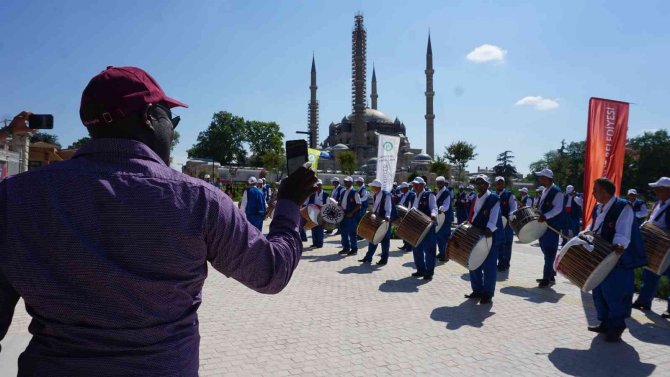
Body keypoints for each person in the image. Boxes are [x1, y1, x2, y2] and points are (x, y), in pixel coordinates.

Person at [0, 66, 317, 376]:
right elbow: (271, 272)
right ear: (150, 117)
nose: (173, 129)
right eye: (171, 118)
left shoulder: (14, 197)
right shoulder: (198, 201)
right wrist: (289, 204)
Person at [584, 178, 646, 342]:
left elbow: (623, 232)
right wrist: (584, 236)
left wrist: (618, 246)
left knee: (614, 294)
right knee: (599, 292)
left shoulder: (622, 207)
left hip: (617, 258)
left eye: (595, 190)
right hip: (601, 256)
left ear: (604, 192)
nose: (593, 193)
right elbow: (593, 227)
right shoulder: (598, 208)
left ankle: (617, 326)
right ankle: (605, 323)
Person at [633, 177, 670, 318]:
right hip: (656, 246)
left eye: (659, 189)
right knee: (649, 273)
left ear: (667, 190)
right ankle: (644, 301)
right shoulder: (658, 203)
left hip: (666, 248)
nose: (656, 191)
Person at [464, 175, 503, 304]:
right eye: (477, 183)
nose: (479, 185)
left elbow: (494, 217)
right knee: (474, 263)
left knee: (489, 267)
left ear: (487, 185)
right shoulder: (475, 198)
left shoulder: (494, 199)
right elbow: (473, 215)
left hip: (489, 235)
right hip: (477, 234)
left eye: (482, 183)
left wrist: (489, 228)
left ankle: (488, 294)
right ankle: (477, 290)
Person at [535, 169, 567, 287]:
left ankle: (546, 278)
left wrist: (546, 216)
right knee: (546, 251)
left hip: (551, 226)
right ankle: (551, 275)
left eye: (541, 177)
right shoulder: (545, 190)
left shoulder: (556, 191)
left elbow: (558, 209)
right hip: (544, 226)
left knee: (549, 252)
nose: (539, 179)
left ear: (547, 178)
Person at [359, 180, 396, 265]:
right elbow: (376, 207)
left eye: (372, 186)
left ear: (377, 187)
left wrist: (387, 217)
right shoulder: (375, 195)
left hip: (385, 220)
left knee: (385, 241)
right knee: (372, 238)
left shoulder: (387, 195)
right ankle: (368, 257)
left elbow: (388, 208)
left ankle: (384, 259)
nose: (371, 188)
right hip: (378, 219)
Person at [409, 177, 438, 280]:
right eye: (413, 184)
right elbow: (410, 210)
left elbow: (434, 207)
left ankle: (429, 272)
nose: (414, 186)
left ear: (422, 185)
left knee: (429, 249)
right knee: (416, 249)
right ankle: (420, 270)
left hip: (427, 225)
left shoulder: (429, 195)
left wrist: (433, 215)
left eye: (416, 184)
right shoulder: (412, 197)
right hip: (416, 226)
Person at [493, 177, 517, 272]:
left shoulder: (509, 194)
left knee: (507, 243)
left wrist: (511, 215)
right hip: (496, 223)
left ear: (504, 184)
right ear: (495, 184)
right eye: (498, 183)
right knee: (498, 243)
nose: (499, 184)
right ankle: (500, 262)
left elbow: (513, 207)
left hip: (507, 223)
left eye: (501, 182)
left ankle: (506, 263)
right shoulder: (492, 194)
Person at [337, 176, 361, 256]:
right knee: (343, 232)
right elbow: (341, 202)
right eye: (344, 181)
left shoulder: (355, 192)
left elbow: (358, 205)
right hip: (343, 215)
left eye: (347, 181)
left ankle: (354, 249)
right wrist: (338, 204)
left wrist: (351, 213)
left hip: (351, 216)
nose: (345, 183)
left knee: (351, 233)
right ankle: (346, 248)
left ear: (351, 182)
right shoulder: (343, 192)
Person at [304, 179, 329, 249]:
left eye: (319, 185)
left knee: (320, 229)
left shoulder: (326, 194)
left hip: (321, 214)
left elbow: (327, 205)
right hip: (312, 213)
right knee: (313, 228)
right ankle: (314, 243)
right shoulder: (312, 194)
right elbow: (306, 203)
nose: (318, 186)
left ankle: (319, 243)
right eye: (317, 185)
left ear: (322, 185)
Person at [434, 176, 454, 262]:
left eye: (440, 182)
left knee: (444, 237)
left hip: (446, 218)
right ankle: (442, 252)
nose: (439, 184)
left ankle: (446, 255)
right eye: (438, 182)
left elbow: (446, 205)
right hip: (439, 218)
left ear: (443, 183)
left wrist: (440, 209)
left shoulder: (446, 193)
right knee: (439, 236)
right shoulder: (438, 192)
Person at [397, 182, 416, 251]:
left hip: (409, 215)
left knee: (409, 232)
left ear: (406, 188)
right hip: (403, 214)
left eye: (402, 189)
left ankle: (409, 246)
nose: (401, 190)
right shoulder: (402, 195)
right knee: (404, 230)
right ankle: (405, 244)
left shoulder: (412, 195)